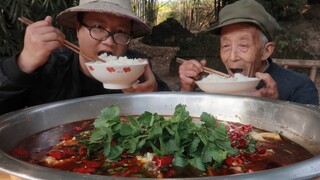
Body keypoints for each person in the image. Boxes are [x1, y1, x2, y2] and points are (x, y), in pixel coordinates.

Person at [0, 0, 171, 115]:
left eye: (121, 32)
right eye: (98, 27)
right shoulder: (51, 65)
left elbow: (173, 112)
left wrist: (153, 97)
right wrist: (22, 64)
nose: (109, 41)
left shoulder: (137, 67)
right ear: (77, 29)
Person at [179, 0, 319, 105]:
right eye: (226, 46)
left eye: (243, 45)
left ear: (266, 51)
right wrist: (187, 89)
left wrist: (274, 107)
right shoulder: (215, 83)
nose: (232, 57)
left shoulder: (299, 87)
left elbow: (310, 139)